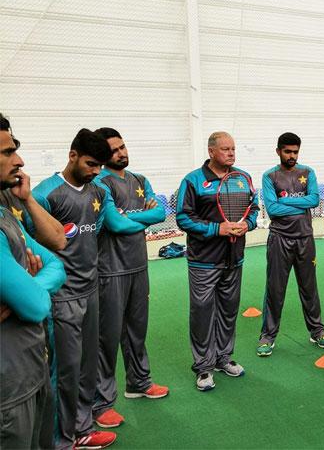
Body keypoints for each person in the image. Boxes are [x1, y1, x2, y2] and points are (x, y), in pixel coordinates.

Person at [33, 129, 144, 449]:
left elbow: (99, 234)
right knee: (63, 371)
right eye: (91, 164)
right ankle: (59, 440)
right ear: (72, 156)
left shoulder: (98, 192)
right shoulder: (45, 194)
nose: (97, 172)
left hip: (91, 289)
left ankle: (81, 427)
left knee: (87, 365)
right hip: (61, 296)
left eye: (100, 166)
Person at [91, 127, 169, 429]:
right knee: (107, 338)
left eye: (123, 146)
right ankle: (101, 403)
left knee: (137, 330)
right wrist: (137, 216)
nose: (121, 153)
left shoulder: (140, 180)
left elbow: (160, 214)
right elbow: (114, 223)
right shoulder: (99, 184)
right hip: (110, 270)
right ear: (102, 155)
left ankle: (139, 382)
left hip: (139, 266)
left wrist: (128, 214)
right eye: (114, 150)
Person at [0, 115, 66, 449]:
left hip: (31, 368)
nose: (20, 160)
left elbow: (56, 257)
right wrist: (27, 291)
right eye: (7, 152)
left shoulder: (5, 205)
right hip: (8, 386)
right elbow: (36, 304)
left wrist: (28, 283)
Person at [176, 131, 259, 391]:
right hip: (204, 261)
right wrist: (216, 229)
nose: (231, 153)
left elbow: (254, 209)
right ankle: (203, 367)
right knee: (202, 312)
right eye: (225, 149)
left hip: (234, 259)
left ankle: (224, 358)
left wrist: (247, 224)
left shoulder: (243, 178)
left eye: (233, 148)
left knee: (228, 310)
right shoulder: (193, 181)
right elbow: (183, 217)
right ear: (211, 151)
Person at [256, 132, 324, 356]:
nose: (292, 156)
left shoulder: (307, 172)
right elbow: (273, 209)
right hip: (279, 239)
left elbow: (315, 199)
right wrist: (301, 204)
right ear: (278, 151)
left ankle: (317, 330)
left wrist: (285, 200)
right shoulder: (269, 176)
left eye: (295, 152)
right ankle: (268, 336)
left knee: (309, 287)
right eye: (287, 151)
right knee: (275, 289)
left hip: (305, 238)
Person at [0, 114, 66, 251]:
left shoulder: (12, 193)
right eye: (8, 153)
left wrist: (27, 199)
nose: (20, 162)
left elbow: (59, 241)